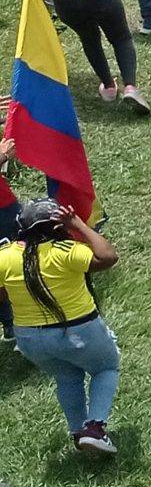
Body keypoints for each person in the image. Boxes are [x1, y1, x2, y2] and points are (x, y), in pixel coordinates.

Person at [0, 194, 121, 454]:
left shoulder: (6, 256)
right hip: (80, 330)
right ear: (58, 227)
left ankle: (79, 432)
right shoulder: (66, 252)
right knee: (106, 368)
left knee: (66, 376)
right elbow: (108, 256)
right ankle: (95, 428)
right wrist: (78, 224)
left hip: (31, 340)